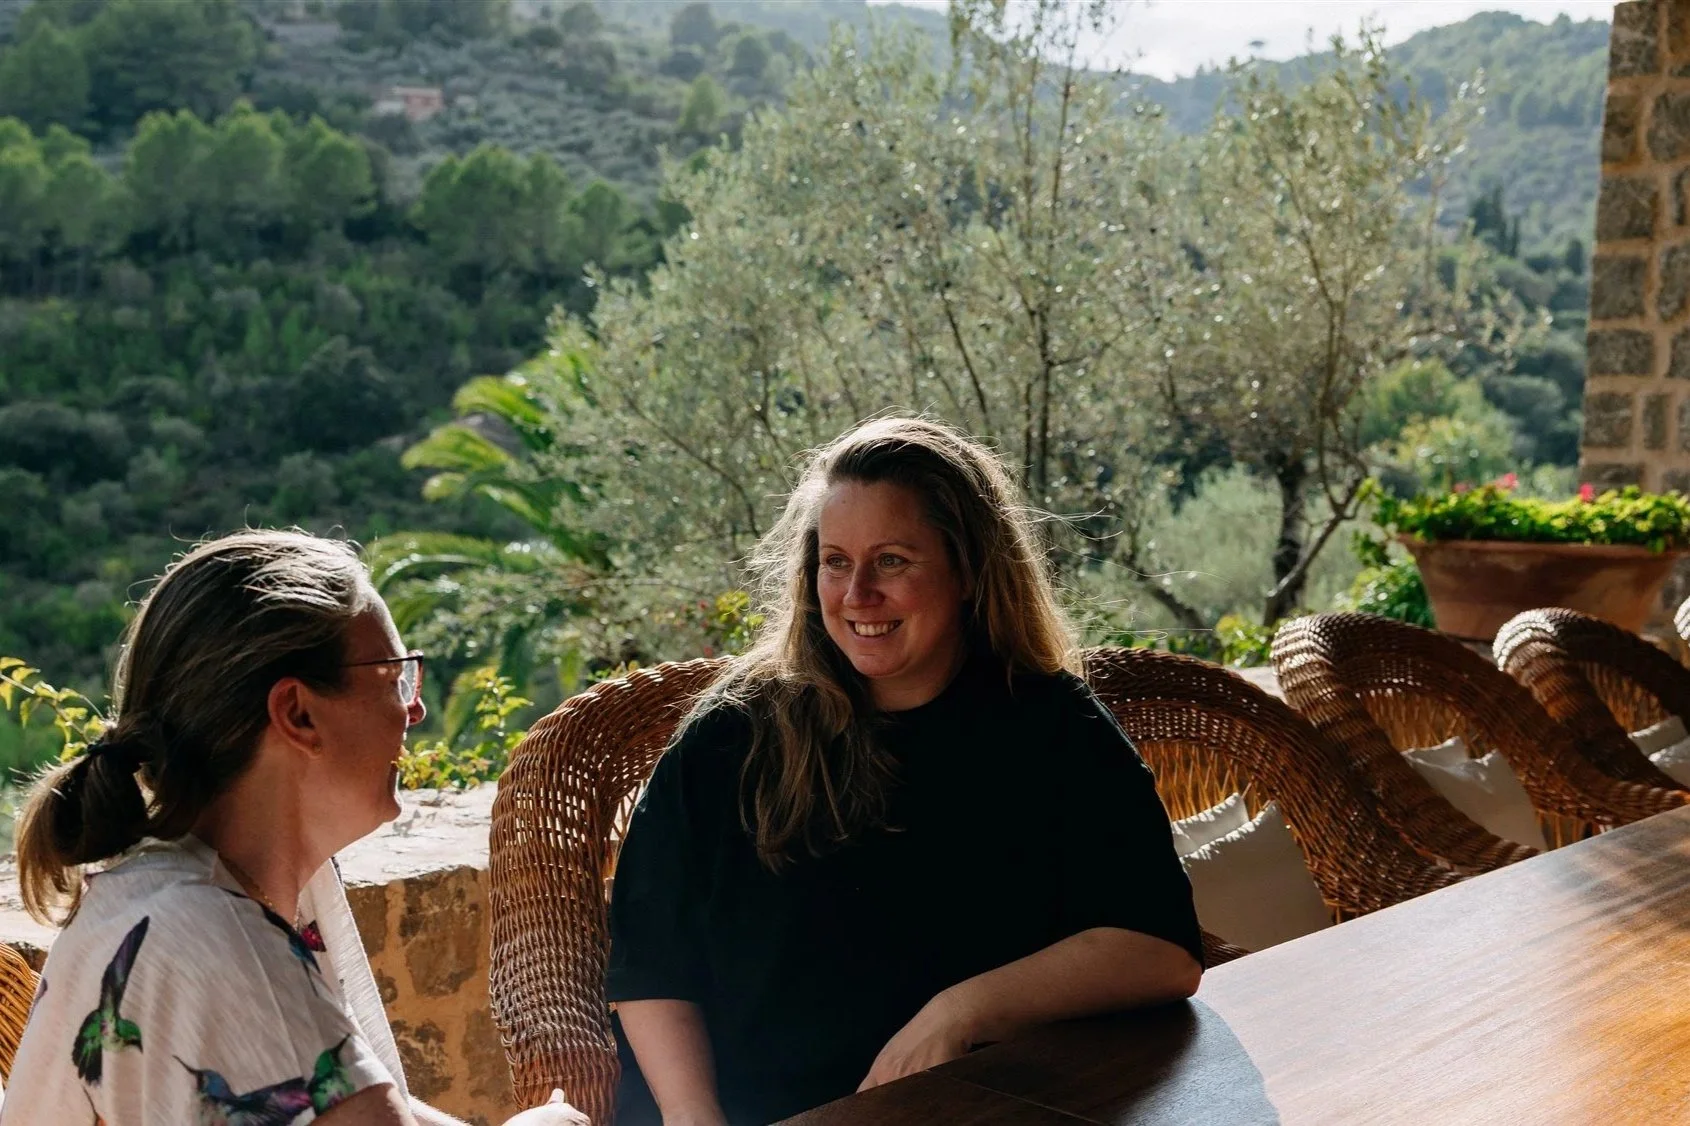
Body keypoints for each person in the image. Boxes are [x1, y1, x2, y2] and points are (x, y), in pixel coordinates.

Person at [607, 418, 1204, 1125]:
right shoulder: (734, 735)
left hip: (1001, 1106)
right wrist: (693, 1119)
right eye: (835, 561)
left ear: (968, 571)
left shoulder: (1049, 724)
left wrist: (962, 1010)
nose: (857, 594)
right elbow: (650, 963)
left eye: (891, 560)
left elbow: (1161, 948)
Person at [3, 530, 586, 1126]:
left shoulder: (171, 891)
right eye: (394, 679)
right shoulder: (219, 945)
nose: (416, 710)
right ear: (298, 714)